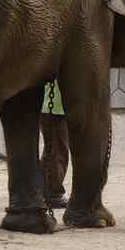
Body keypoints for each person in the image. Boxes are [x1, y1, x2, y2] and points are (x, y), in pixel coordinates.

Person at [40, 80, 69, 209]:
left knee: (51, 150)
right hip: (55, 110)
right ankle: (53, 193)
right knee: (58, 152)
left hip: (51, 109)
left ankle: (43, 190)